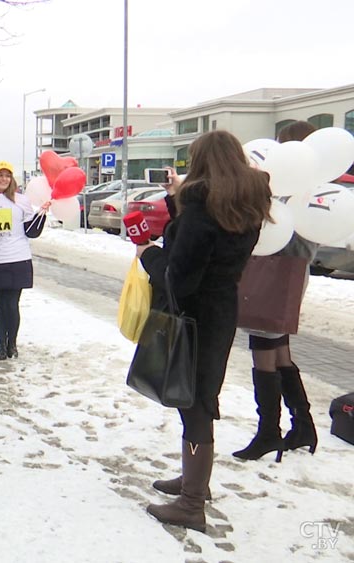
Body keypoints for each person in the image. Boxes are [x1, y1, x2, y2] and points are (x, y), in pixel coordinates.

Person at [136, 130, 272, 531]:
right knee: (198, 397)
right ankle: (194, 478)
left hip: (191, 316)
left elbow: (180, 277)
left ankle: (192, 502)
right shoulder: (244, 202)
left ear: (200, 162)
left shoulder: (201, 208)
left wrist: (151, 256)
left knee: (193, 403)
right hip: (220, 311)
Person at [233, 120, 320, 461]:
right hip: (291, 273)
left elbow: (281, 232)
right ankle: (303, 424)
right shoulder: (313, 188)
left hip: (279, 272)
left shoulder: (295, 189)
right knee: (279, 348)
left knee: (264, 349)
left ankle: (269, 430)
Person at [0, 161, 50, 361]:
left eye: (7, 175)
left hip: (17, 258)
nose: (3, 179)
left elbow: (31, 231)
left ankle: (12, 343)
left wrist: (41, 214)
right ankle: (1, 344)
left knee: (12, 304)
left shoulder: (22, 201)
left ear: (12, 179)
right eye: (0, 175)